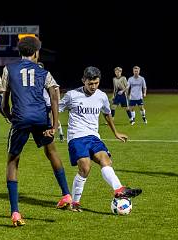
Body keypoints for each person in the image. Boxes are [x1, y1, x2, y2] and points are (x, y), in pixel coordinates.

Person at [1, 36, 72, 227]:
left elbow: (4, 98)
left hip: (21, 119)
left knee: (13, 161)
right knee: (52, 152)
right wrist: (54, 125)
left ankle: (15, 212)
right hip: (41, 118)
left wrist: (8, 115)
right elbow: (55, 95)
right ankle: (66, 194)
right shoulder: (43, 72)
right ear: (36, 52)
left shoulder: (9, 69)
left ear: (20, 52)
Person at [59, 66, 142, 212]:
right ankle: (75, 203)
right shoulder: (72, 95)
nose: (93, 86)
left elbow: (107, 113)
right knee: (85, 167)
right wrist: (51, 125)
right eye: (90, 83)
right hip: (77, 136)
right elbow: (55, 108)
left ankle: (118, 189)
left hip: (93, 136)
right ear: (83, 80)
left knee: (106, 160)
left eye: (96, 83)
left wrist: (115, 132)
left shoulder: (102, 96)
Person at [39, 62, 65, 142]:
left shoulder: (46, 76)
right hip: (40, 104)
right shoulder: (35, 78)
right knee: (44, 120)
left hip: (48, 103)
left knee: (52, 119)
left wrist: (58, 100)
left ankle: (59, 132)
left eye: (40, 67)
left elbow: (56, 87)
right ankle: (46, 134)